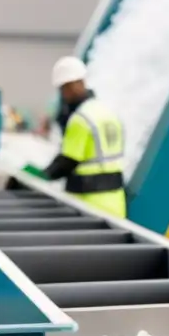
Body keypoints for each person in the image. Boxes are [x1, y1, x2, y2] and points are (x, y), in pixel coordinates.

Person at [39, 56, 127, 219]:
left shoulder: (81, 119)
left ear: (70, 86)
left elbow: (67, 161)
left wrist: (42, 176)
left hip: (89, 205)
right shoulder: (108, 113)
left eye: (63, 89)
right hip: (115, 203)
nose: (64, 95)